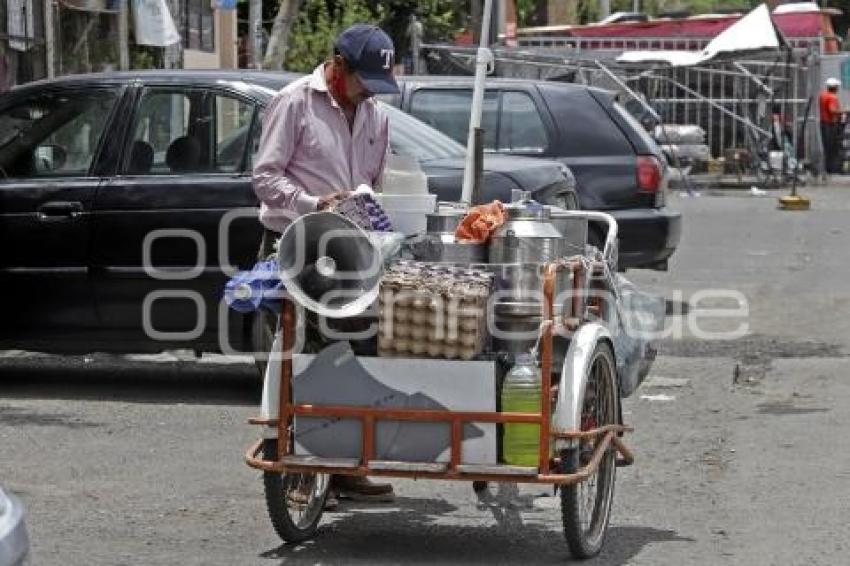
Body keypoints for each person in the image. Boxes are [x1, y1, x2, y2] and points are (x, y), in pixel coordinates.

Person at [252, 24, 399, 506]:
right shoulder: (294, 102)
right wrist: (315, 204)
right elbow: (265, 177)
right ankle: (299, 473)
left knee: (356, 358)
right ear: (338, 67)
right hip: (295, 244)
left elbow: (377, 181)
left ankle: (346, 468)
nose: (368, 95)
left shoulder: (376, 114)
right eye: (363, 82)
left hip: (354, 253)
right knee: (303, 358)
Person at [819, 77, 845, 175]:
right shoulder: (832, 97)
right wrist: (844, 111)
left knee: (827, 147)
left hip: (823, 123)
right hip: (830, 125)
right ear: (834, 87)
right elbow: (832, 110)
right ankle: (833, 168)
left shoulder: (823, 96)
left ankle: (828, 167)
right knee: (833, 147)